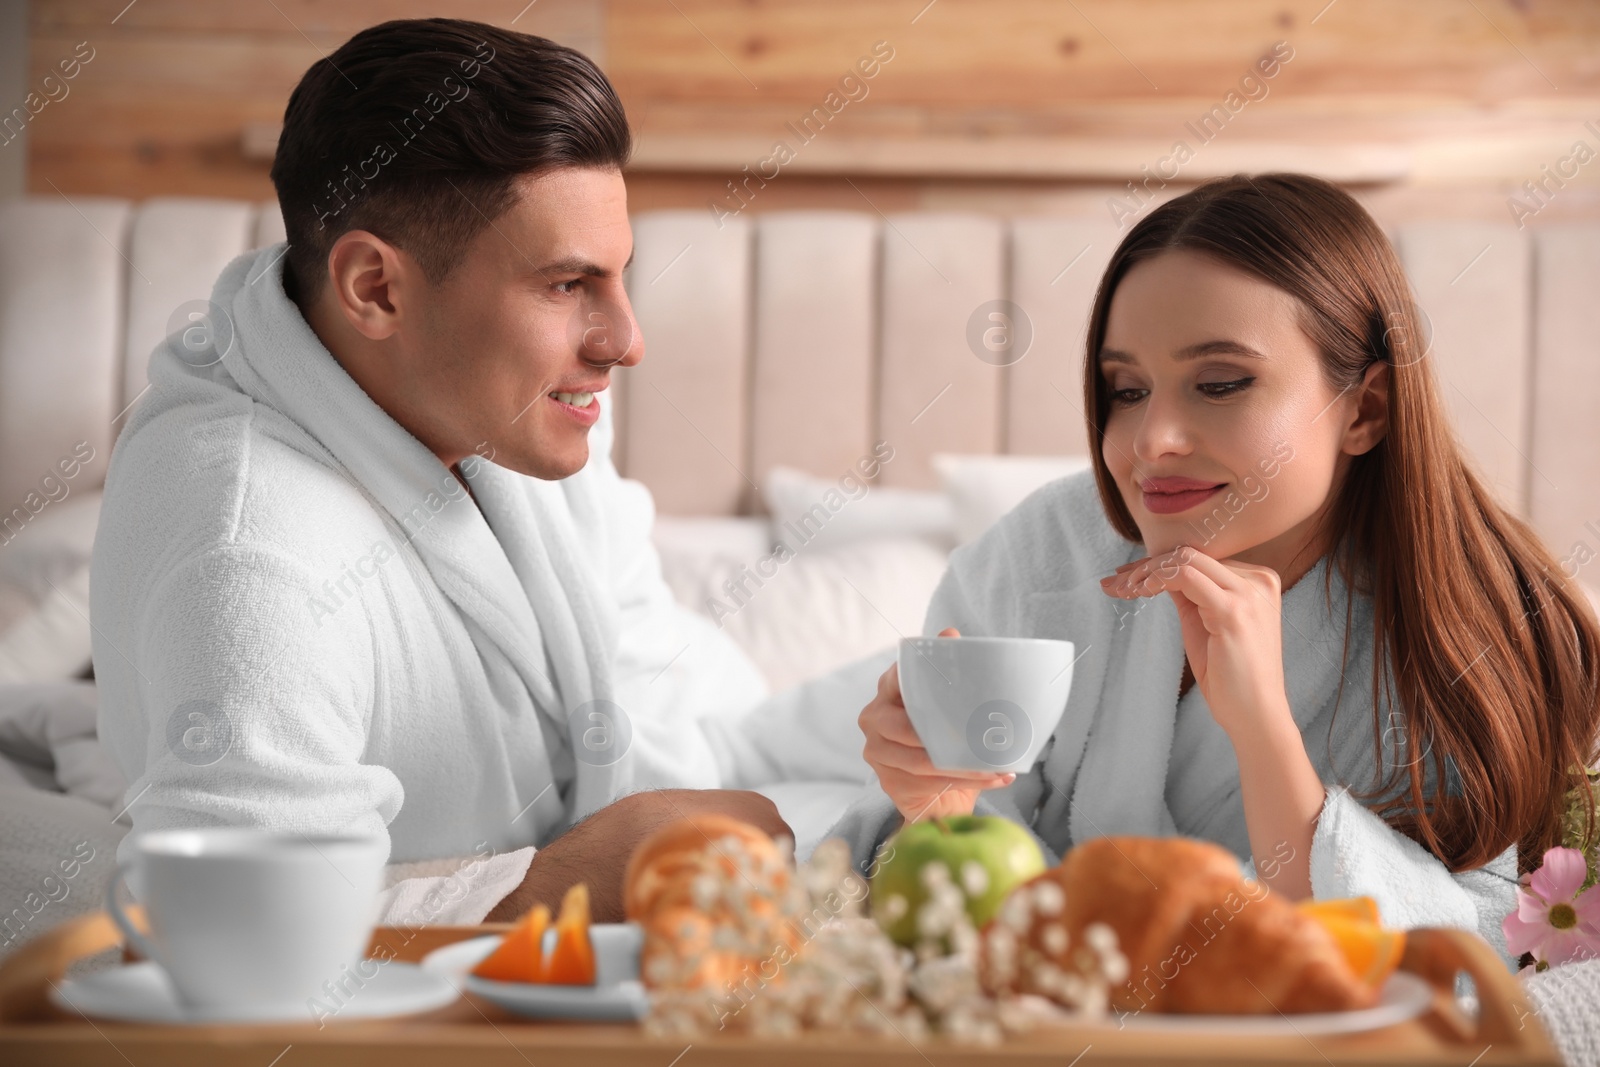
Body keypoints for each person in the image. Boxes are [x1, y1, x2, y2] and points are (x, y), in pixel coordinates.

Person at [91, 18, 813, 927]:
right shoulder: (253, 564)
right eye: (565, 284)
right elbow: (235, 941)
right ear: (376, 289)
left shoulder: (520, 402)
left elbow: (646, 660)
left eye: (620, 277)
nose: (626, 341)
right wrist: (573, 878)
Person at [851, 173, 1600, 969]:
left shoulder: (1486, 625)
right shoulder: (1050, 548)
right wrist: (932, 812)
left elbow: (1449, 957)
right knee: (750, 748)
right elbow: (928, 896)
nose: (1152, 440)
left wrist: (1262, 727)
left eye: (1220, 383)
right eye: (1126, 389)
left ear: (1365, 409)